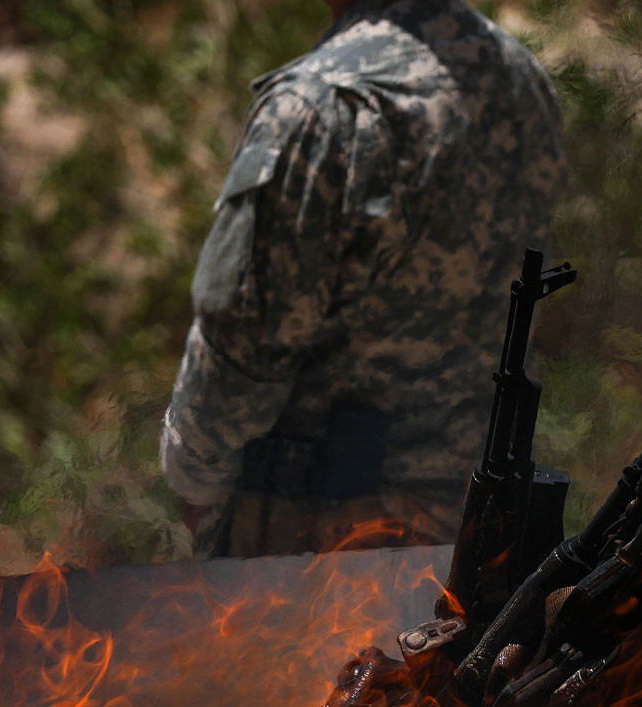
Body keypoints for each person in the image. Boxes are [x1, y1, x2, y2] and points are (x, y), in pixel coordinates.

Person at [160, 0, 566, 557]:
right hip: (467, 530)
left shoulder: (321, 102)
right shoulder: (525, 83)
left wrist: (196, 479)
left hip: (314, 553)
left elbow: (244, 339)